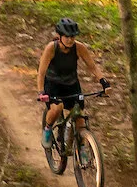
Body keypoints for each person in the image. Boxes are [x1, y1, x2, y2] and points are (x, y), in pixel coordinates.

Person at [38, 18, 108, 147]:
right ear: (59, 36)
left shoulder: (79, 47)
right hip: (53, 84)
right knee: (57, 108)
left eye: (72, 37)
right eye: (67, 37)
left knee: (80, 120)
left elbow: (92, 67)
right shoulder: (51, 48)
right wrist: (41, 91)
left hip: (71, 84)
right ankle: (47, 129)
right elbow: (41, 72)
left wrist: (103, 81)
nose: (70, 40)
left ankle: (81, 150)